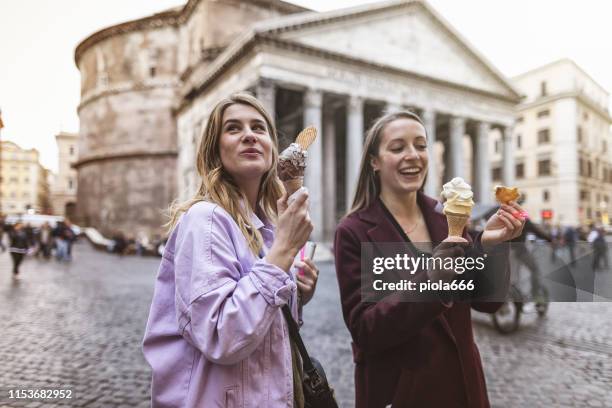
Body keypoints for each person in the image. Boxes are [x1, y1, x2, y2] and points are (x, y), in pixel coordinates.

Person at [333, 111, 526, 408]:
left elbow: (489, 303)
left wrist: (491, 246)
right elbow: (365, 329)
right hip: (399, 393)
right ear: (374, 161)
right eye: (398, 148)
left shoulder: (446, 214)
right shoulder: (353, 231)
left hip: (462, 387)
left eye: (421, 146)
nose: (413, 155)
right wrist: (431, 280)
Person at [142, 93, 318, 407]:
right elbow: (222, 335)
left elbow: (265, 328)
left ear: (272, 148)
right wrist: (281, 255)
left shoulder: (265, 228)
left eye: (259, 128)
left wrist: (297, 293)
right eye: (234, 128)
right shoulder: (205, 219)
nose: (249, 134)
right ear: (215, 149)